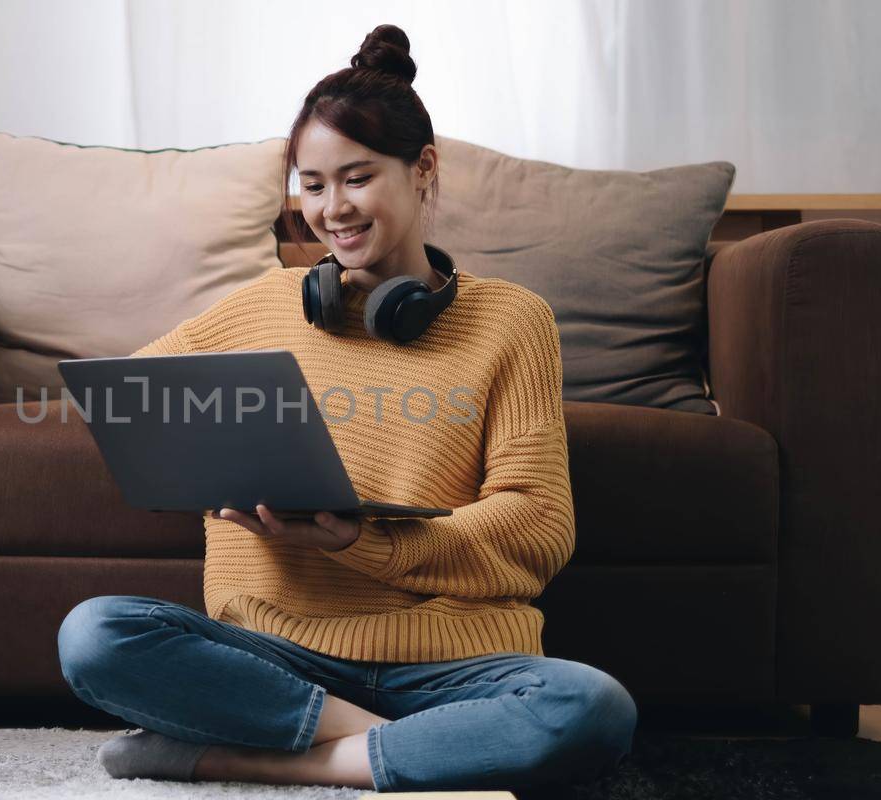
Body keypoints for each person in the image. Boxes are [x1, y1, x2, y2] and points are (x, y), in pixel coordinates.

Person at [55, 23, 637, 793]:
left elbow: (538, 523)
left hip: (451, 663)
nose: (332, 210)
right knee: (95, 635)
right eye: (313, 184)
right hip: (276, 652)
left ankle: (247, 758)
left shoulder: (512, 320)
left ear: (423, 169)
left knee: (591, 705)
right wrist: (219, 469)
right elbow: (136, 405)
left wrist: (367, 541)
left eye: (357, 178)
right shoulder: (263, 305)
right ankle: (406, 752)